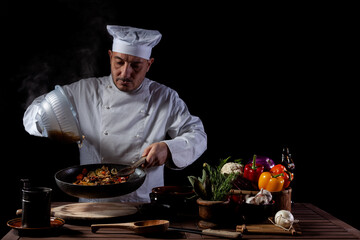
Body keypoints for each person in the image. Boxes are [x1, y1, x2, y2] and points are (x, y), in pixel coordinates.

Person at [23, 25, 207, 203]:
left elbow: (198, 135)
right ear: (110, 57)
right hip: (92, 205)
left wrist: (168, 148)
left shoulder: (165, 97)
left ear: (149, 65)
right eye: (119, 62)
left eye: (136, 66)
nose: (125, 72)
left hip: (144, 204)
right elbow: (32, 114)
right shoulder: (85, 90)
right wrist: (44, 119)